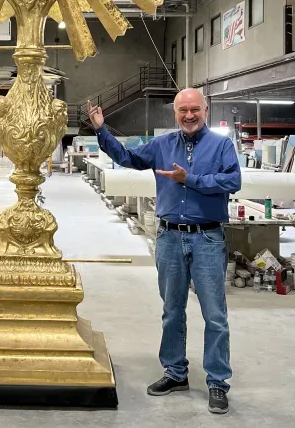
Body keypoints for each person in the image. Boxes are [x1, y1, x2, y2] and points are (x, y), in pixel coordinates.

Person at [87, 88, 241, 415]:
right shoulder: (161, 146)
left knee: (215, 314)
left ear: (205, 110)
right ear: (175, 113)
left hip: (207, 238)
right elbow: (128, 157)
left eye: (194, 109)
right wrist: (102, 129)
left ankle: (217, 381)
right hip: (170, 238)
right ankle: (175, 372)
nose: (189, 115)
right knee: (172, 310)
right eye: (183, 110)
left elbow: (232, 181)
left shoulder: (222, 145)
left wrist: (192, 180)